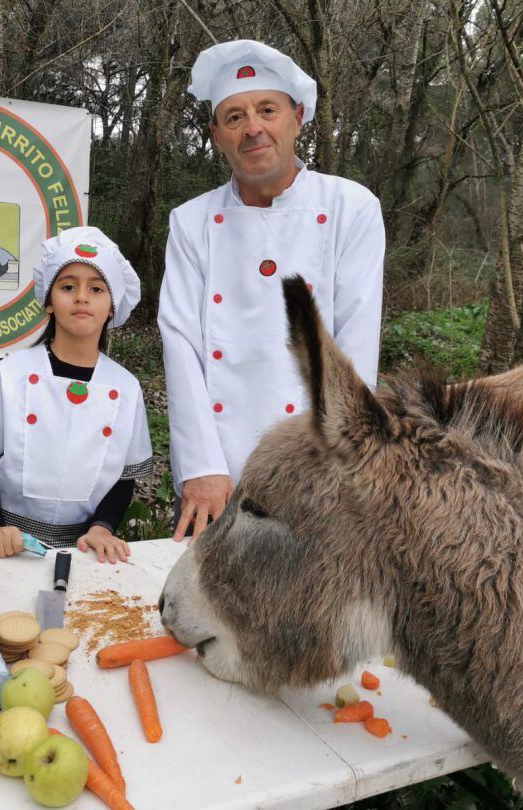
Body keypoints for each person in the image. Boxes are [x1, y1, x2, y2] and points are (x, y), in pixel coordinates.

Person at [159, 39, 385, 540]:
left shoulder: (353, 207)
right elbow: (180, 341)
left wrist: (342, 460)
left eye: (267, 109)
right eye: (234, 116)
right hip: (216, 469)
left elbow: (356, 343)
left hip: (317, 464)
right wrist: (199, 466)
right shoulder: (191, 221)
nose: (253, 128)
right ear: (217, 134)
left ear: (297, 117)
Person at [0, 226, 153, 563]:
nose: (81, 297)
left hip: (85, 551)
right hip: (8, 546)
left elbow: (123, 477)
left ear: (112, 307)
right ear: (49, 302)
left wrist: (103, 527)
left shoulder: (126, 387)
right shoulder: (10, 374)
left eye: (96, 288)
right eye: (68, 287)